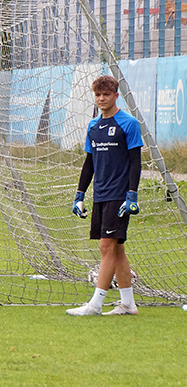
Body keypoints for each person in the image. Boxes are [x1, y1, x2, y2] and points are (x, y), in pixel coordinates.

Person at [66, 75, 143, 316]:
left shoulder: (128, 123)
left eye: (106, 95)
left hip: (119, 196)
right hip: (100, 194)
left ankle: (95, 304)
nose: (101, 99)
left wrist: (132, 195)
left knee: (106, 246)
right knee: (116, 249)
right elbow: (89, 163)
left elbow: (135, 163)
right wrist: (80, 195)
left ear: (116, 96)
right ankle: (128, 304)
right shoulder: (93, 126)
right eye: (98, 95)